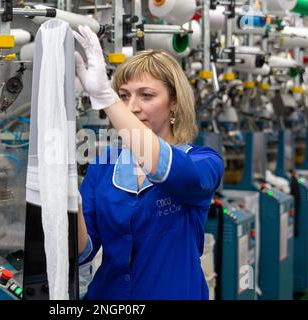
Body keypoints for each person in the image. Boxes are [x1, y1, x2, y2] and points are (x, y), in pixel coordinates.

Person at [73, 25, 224, 300]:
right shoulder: (103, 166)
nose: (131, 107)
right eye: (124, 95)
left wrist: (106, 99)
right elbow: (84, 251)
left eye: (147, 95)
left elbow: (167, 168)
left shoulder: (204, 162)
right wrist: (70, 203)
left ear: (174, 103)